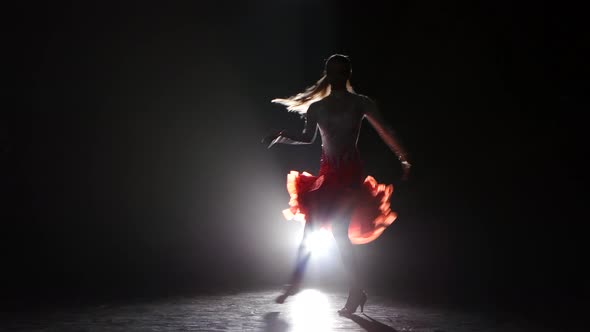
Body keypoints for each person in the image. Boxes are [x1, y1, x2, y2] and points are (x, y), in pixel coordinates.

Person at [262, 54, 411, 316]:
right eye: (334, 71)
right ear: (328, 74)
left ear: (348, 75)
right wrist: (282, 137)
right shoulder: (317, 107)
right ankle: (303, 283)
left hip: (350, 176)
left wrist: (403, 157)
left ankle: (350, 290)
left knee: (340, 235)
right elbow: (308, 138)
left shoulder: (361, 103)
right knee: (314, 231)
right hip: (327, 175)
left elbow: (385, 130)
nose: (338, 76)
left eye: (343, 72)